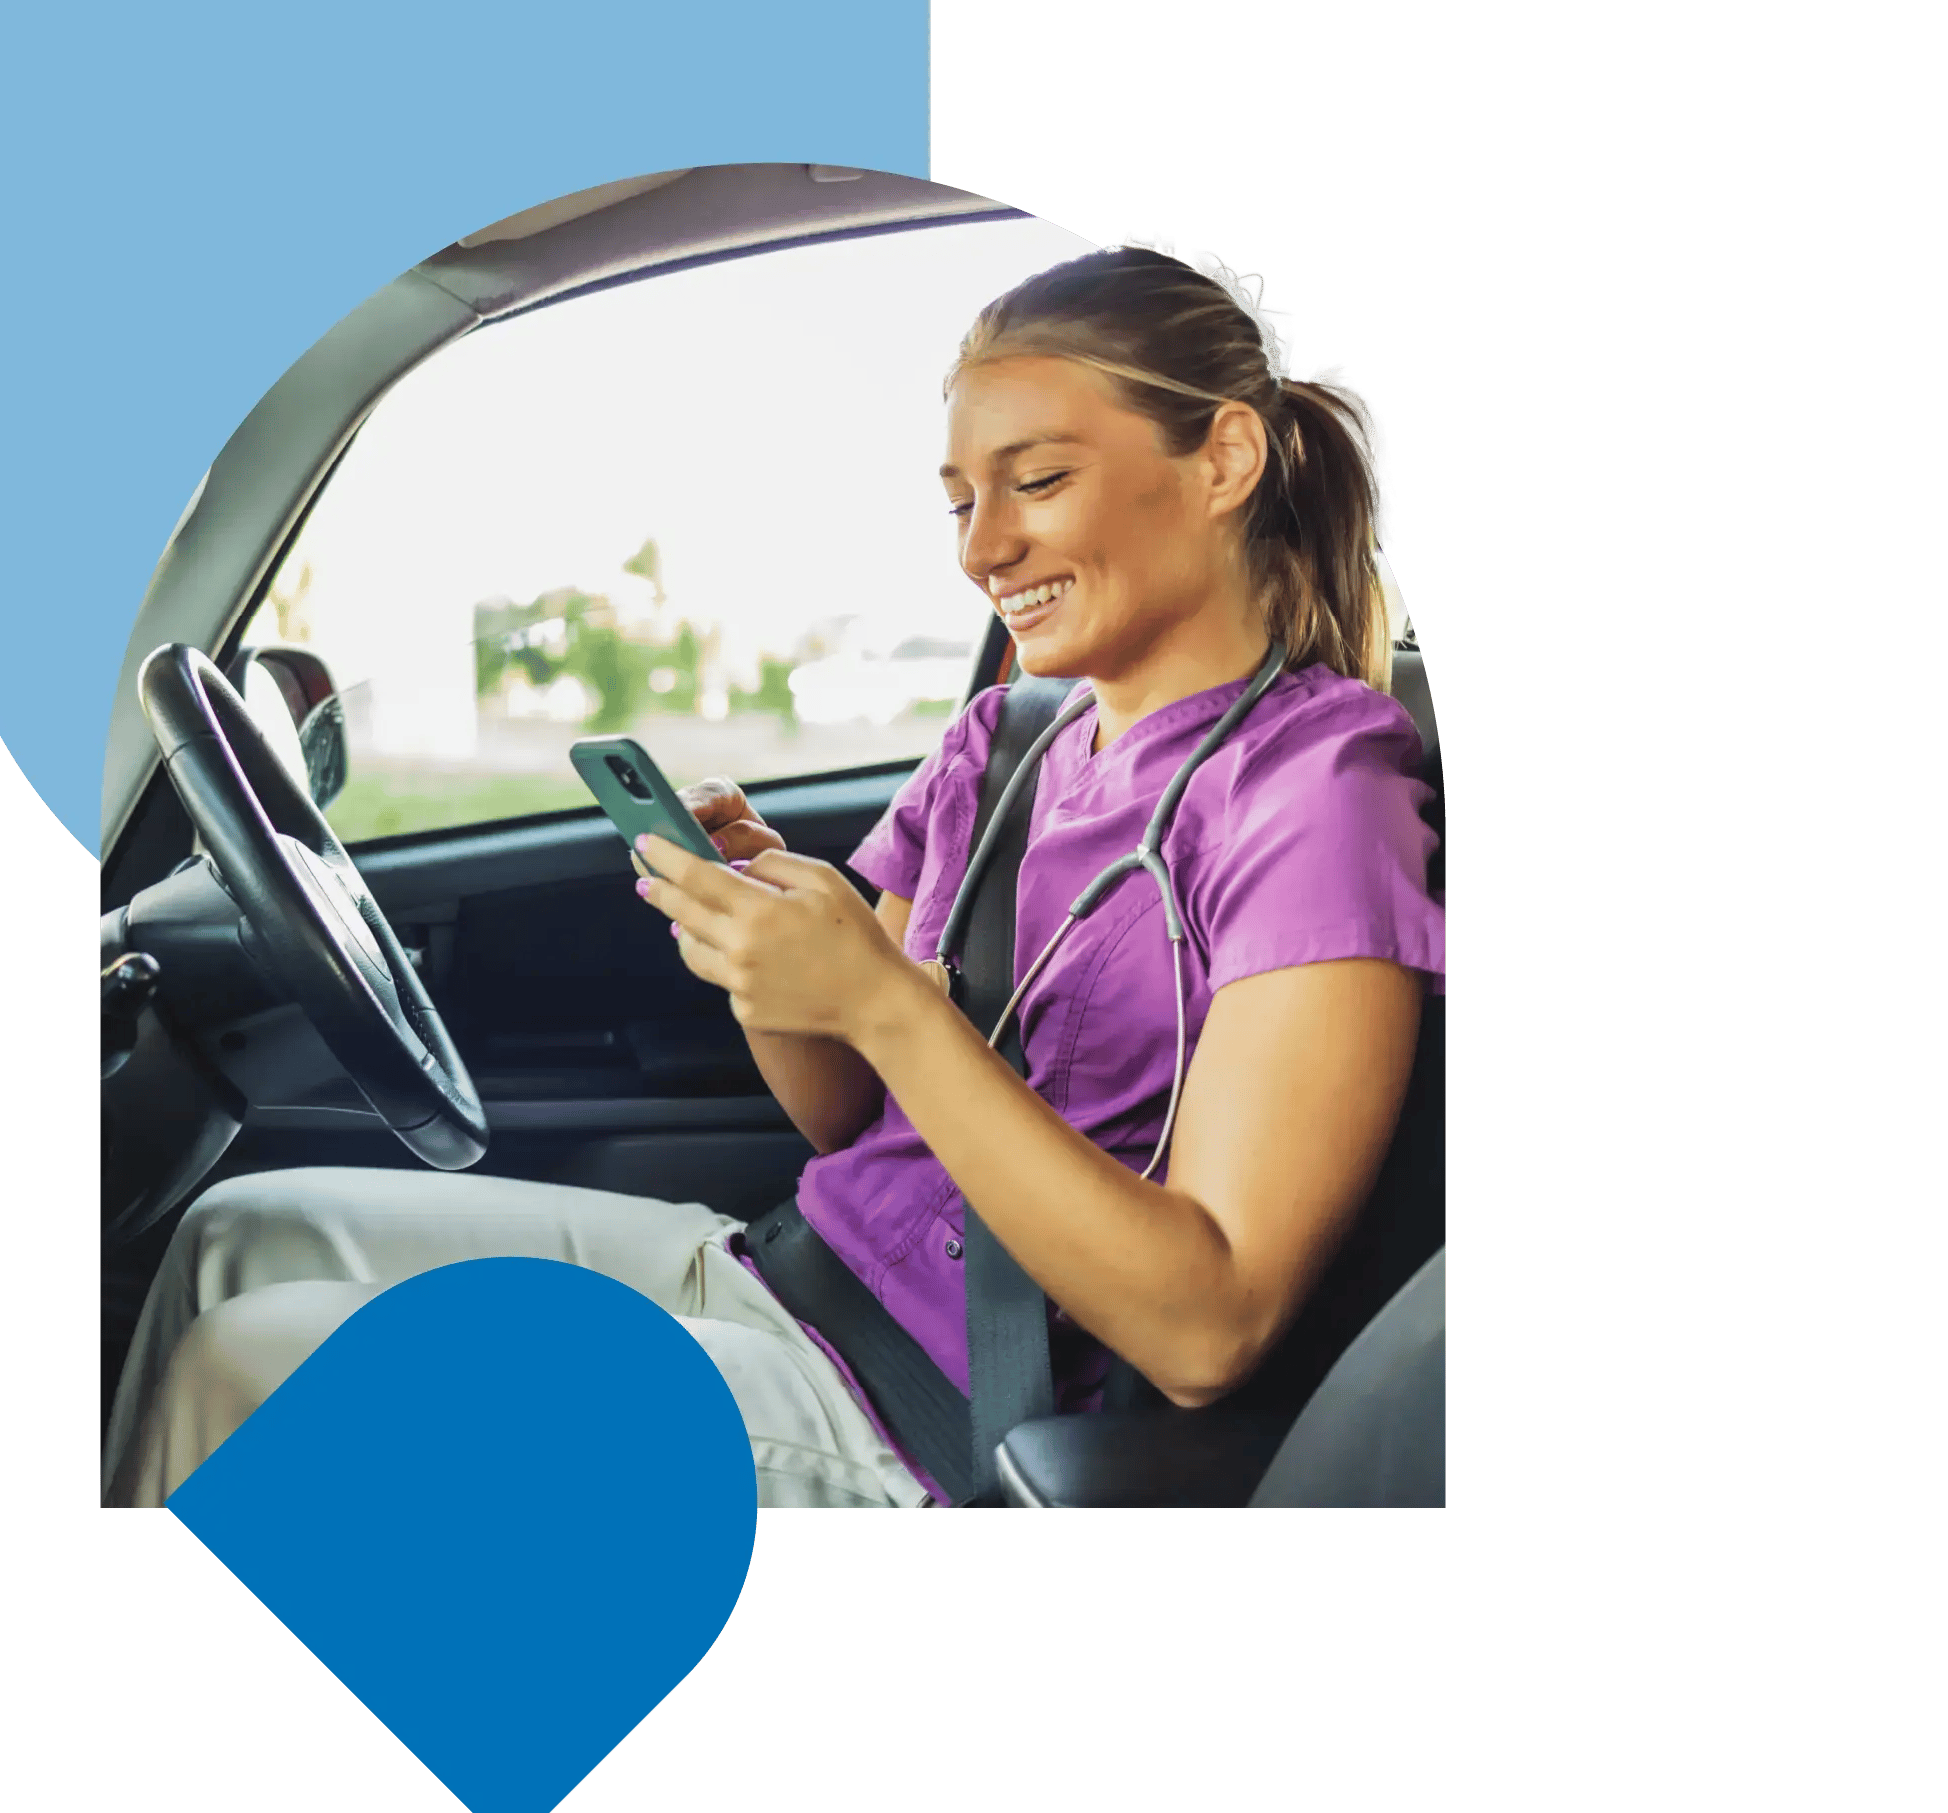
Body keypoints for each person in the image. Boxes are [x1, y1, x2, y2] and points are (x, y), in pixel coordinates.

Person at [100, 238, 1447, 1509]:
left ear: (1222, 459)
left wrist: (883, 1001)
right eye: (963, 501)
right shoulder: (1009, 744)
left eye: (1036, 484)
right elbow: (846, 1117)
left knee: (256, 1368)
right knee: (236, 1233)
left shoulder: (1321, 797)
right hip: (788, 1277)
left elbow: (1210, 1326)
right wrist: (772, 964)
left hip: (925, 1424)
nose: (983, 550)